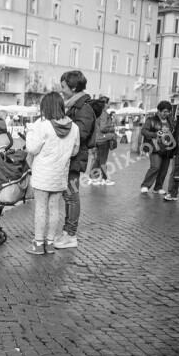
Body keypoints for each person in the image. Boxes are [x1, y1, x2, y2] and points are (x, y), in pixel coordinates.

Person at [25, 92, 80, 255]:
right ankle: (50, 243)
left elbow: (32, 148)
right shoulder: (74, 127)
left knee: (41, 208)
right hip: (60, 175)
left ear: (46, 107)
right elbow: (75, 151)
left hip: (42, 175)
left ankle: (38, 244)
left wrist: (29, 133)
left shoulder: (42, 125)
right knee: (54, 208)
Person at [55, 70, 99, 249]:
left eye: (64, 87)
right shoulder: (73, 105)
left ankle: (71, 235)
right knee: (68, 196)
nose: (61, 90)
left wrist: (58, 127)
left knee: (71, 196)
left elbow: (79, 133)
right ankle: (67, 232)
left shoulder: (84, 108)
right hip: (69, 156)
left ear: (73, 87)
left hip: (74, 157)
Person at [140, 101, 175, 194]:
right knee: (155, 167)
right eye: (164, 111)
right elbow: (143, 131)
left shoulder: (170, 121)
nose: (166, 114)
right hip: (155, 147)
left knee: (164, 169)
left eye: (168, 112)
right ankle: (145, 185)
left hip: (168, 148)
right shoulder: (151, 120)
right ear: (158, 110)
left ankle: (158, 187)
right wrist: (154, 134)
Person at [89, 109, 117, 185]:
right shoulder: (104, 113)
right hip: (103, 139)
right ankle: (105, 179)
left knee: (98, 159)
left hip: (98, 139)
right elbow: (103, 128)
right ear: (105, 103)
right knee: (103, 160)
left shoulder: (97, 113)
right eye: (108, 103)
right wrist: (112, 128)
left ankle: (91, 177)